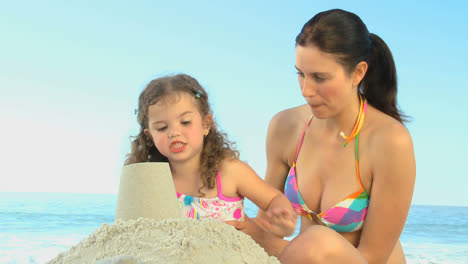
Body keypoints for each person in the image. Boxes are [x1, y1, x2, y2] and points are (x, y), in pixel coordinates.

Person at [228, 9, 416, 264]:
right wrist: (262, 226)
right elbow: (269, 225)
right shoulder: (285, 127)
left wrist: (277, 244)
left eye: (320, 78)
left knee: (319, 241)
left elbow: (373, 257)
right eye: (300, 74)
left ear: (358, 73)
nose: (306, 90)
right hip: (303, 258)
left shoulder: (390, 142)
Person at [125, 73, 297, 238]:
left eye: (185, 122)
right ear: (150, 136)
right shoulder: (151, 181)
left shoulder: (230, 171)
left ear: (206, 124)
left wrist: (282, 216)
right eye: (162, 128)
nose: (174, 132)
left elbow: (273, 199)